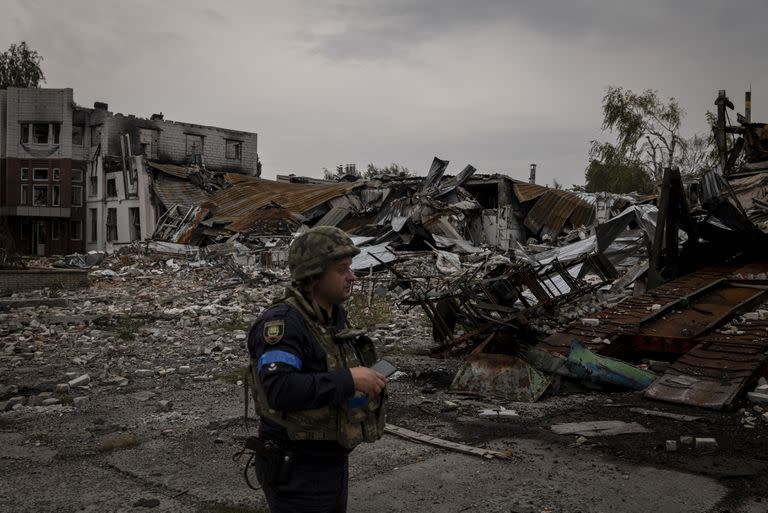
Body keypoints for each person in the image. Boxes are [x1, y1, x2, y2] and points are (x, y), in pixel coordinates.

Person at [245, 226, 387, 513]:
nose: (352, 277)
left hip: (329, 459)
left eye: (351, 267)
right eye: (342, 269)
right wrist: (349, 379)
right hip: (298, 468)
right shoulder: (284, 324)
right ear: (313, 277)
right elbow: (280, 389)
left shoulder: (332, 317)